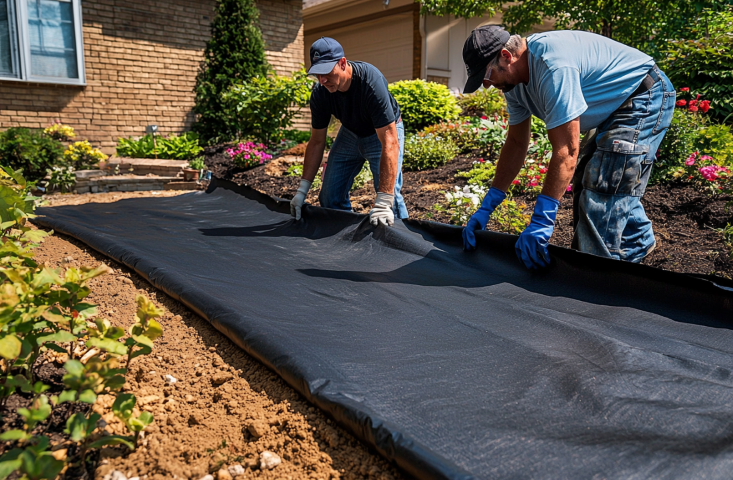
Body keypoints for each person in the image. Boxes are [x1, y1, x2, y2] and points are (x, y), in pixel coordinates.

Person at [460, 26, 675, 269]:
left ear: (507, 57)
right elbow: (517, 143)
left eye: (486, 76)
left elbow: (566, 152)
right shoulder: (513, 83)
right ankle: (637, 242)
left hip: (642, 95)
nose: (487, 85)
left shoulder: (553, 67)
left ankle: (595, 282)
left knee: (602, 183)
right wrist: (488, 205)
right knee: (588, 180)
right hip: (613, 103)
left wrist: (542, 220)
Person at [290, 37, 408, 226]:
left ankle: (402, 243)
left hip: (382, 133)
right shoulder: (321, 92)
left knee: (388, 201)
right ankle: (347, 240)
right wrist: (301, 192)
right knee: (330, 198)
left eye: (326, 71)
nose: (322, 79)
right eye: (317, 74)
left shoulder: (370, 82)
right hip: (350, 133)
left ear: (342, 63)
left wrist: (384, 201)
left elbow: (390, 141)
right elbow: (317, 141)